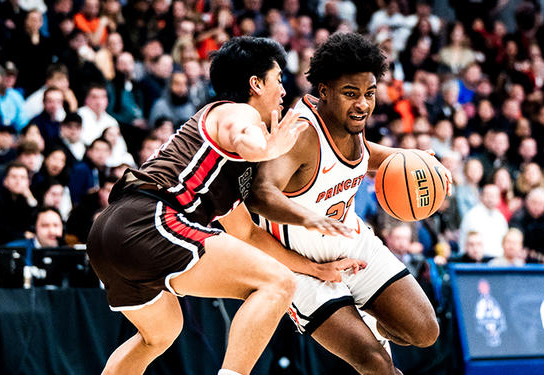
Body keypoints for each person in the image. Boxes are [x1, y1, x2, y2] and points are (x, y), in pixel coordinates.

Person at [86, 36, 362, 375]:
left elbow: (247, 233)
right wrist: (266, 151)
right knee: (276, 283)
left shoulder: (222, 160)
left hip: (109, 235)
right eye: (277, 80)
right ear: (255, 84)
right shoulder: (236, 112)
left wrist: (316, 269)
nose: (282, 91)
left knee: (159, 335)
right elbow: (245, 137)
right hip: (150, 220)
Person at [248, 33, 449, 375]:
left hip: (354, 246)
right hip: (303, 266)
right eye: (351, 94)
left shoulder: (348, 123)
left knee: (426, 332)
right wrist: (308, 219)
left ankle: (375, 319)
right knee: (377, 365)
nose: (363, 105)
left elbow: (364, 155)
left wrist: (414, 158)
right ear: (323, 91)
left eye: (369, 94)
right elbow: (261, 193)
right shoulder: (301, 133)